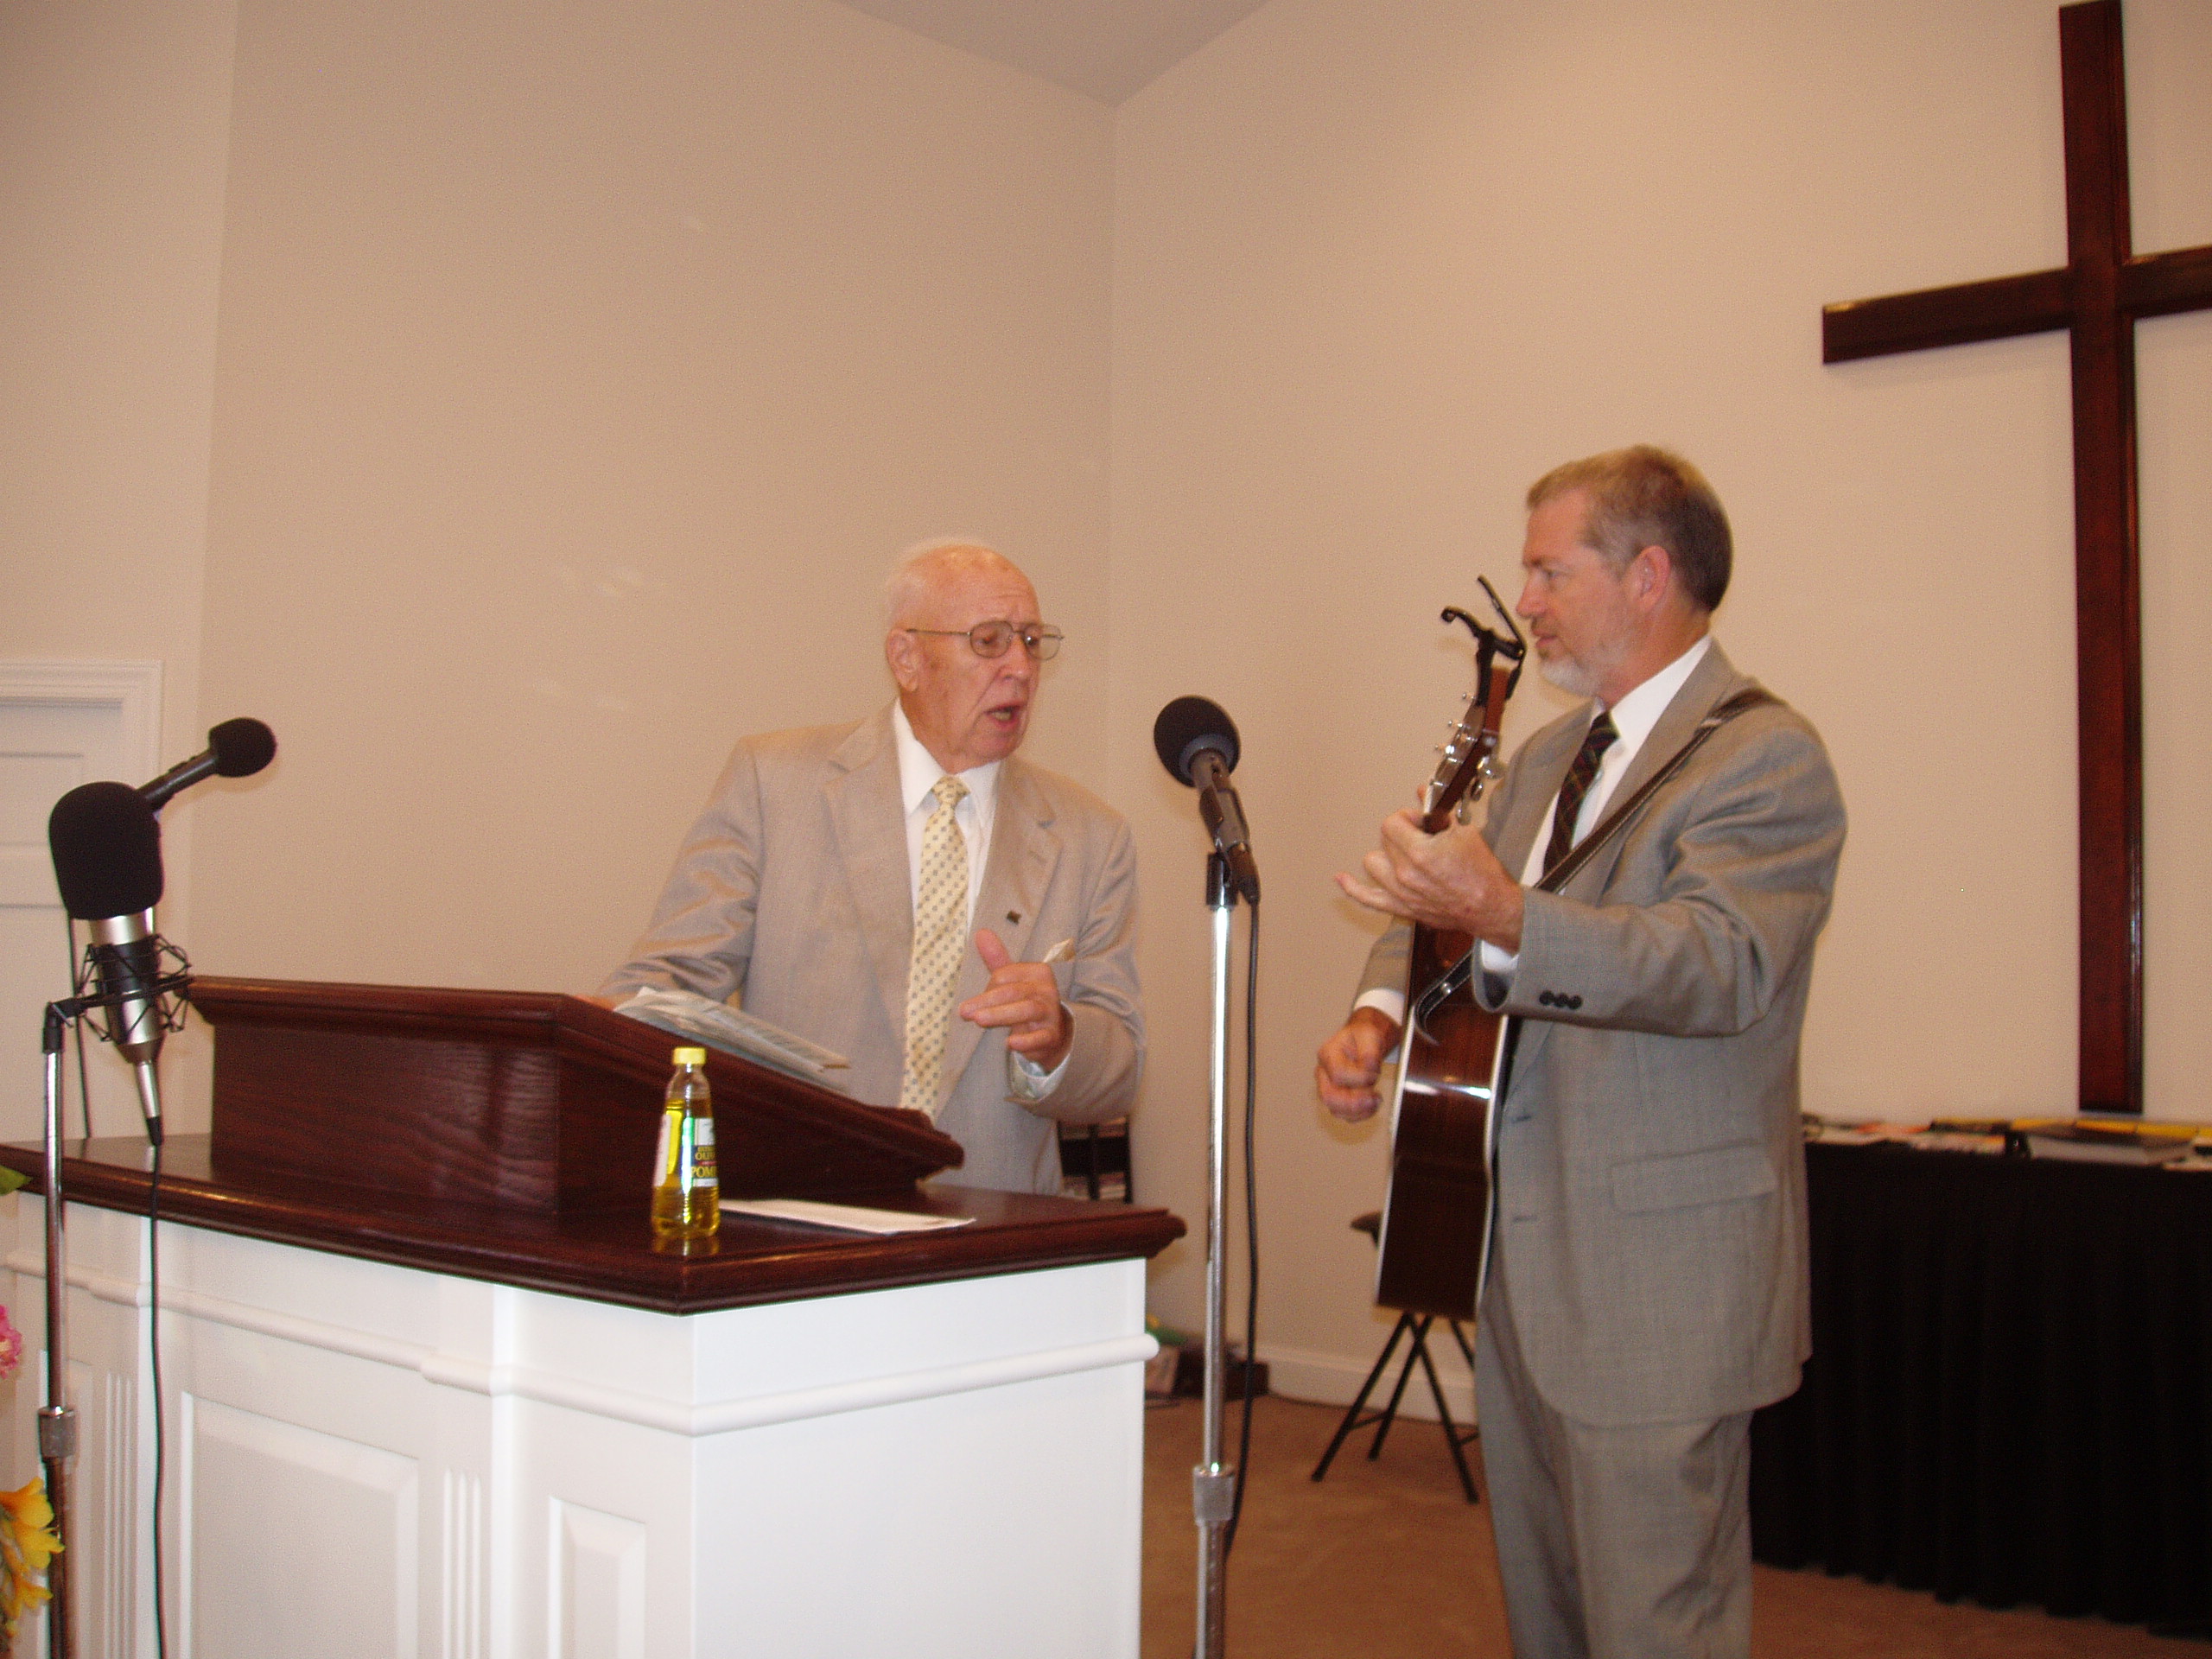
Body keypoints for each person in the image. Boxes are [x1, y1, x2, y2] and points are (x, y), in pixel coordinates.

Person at [1317, 446, 1845, 1657]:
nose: (1527, 602)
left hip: (1660, 1285)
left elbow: (1722, 962)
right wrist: (1378, 1016)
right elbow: (1448, 907)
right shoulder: (1549, 757)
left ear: (1647, 576)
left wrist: (1509, 915)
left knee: (1658, 1627)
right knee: (1548, 1619)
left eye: (1549, 573)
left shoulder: (1766, 757)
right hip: (1521, 1264)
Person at [601, 539, 1142, 1194]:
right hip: (802, 1215)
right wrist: (597, 1026)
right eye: (990, 641)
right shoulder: (774, 785)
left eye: (1031, 641)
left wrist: (1059, 1040)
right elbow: (671, 986)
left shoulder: (1091, 836)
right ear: (906, 658)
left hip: (996, 1231)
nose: (1021, 668)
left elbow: (1120, 1071)